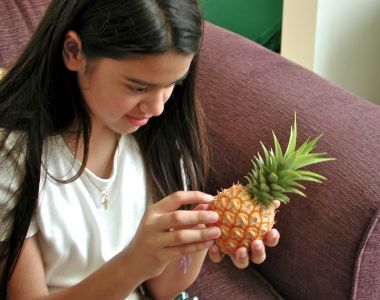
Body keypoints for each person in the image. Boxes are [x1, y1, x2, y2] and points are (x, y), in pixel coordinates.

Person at [0, 0, 280, 299]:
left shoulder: (161, 142)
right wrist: (134, 263)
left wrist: (202, 235)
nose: (158, 107)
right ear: (74, 52)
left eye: (172, 84)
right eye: (138, 87)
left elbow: (162, 289)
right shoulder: (14, 160)